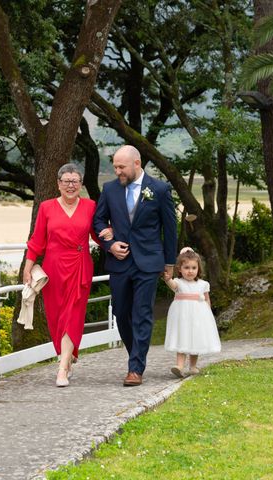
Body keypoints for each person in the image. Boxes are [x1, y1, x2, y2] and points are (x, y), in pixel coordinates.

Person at [93, 145, 177, 386]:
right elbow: (98, 220)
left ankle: (136, 367)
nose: (117, 171)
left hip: (148, 262)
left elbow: (170, 228)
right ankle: (135, 354)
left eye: (122, 167)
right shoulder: (109, 189)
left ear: (137, 164)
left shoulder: (159, 189)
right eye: (115, 167)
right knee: (121, 313)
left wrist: (169, 262)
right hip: (119, 262)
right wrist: (108, 243)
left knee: (142, 313)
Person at [23, 163, 112, 387]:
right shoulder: (46, 207)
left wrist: (112, 234)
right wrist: (28, 266)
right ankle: (67, 357)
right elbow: (37, 241)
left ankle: (62, 369)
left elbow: (99, 235)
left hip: (80, 266)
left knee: (73, 315)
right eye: (66, 181)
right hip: (53, 269)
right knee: (56, 318)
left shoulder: (91, 206)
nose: (71, 185)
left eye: (75, 181)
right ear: (58, 184)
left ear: (81, 184)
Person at [163, 247, 221, 378]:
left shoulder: (203, 284)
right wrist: (167, 279)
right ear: (180, 269)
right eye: (187, 268)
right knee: (182, 337)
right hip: (182, 316)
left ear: (198, 269)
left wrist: (208, 316)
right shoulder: (178, 282)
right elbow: (172, 285)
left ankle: (193, 366)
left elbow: (207, 300)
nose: (190, 271)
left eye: (193, 268)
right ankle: (179, 365)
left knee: (196, 339)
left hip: (198, 316)